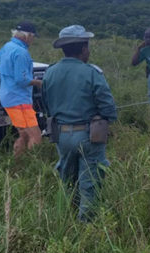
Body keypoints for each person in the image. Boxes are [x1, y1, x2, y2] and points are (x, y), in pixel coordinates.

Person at [42, 25, 117, 222]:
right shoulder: (92, 73)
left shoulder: (49, 72)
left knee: (68, 179)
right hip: (88, 137)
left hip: (61, 136)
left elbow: (46, 104)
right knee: (90, 181)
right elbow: (108, 107)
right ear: (83, 48)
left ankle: (68, 216)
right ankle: (87, 225)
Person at [0, 21, 42, 158]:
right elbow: (22, 80)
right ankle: (33, 166)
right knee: (35, 136)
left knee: (24, 134)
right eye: (33, 37)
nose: (32, 40)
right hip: (19, 99)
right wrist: (39, 83)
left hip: (7, 97)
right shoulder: (21, 52)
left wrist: (8, 81)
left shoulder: (6, 47)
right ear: (27, 36)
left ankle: (18, 165)